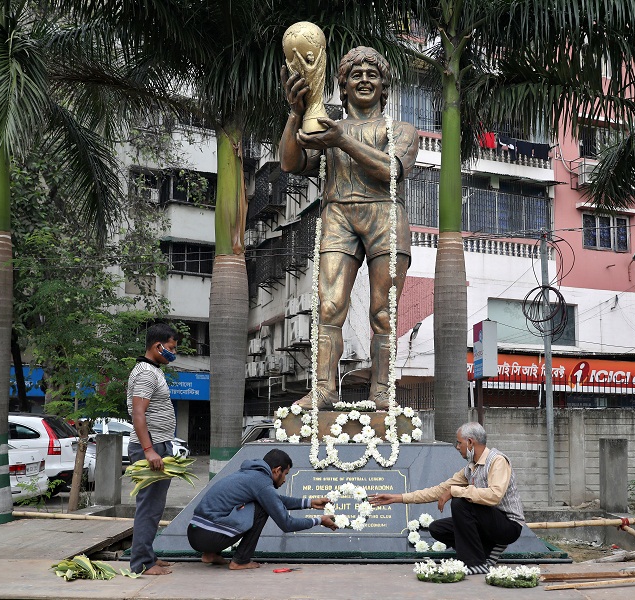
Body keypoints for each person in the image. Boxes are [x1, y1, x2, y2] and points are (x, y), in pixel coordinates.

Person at [280, 46, 419, 410]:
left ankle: (382, 392)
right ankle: (324, 389)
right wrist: (296, 115)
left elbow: (391, 171)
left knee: (382, 311)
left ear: (384, 86)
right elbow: (290, 162)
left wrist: (340, 140)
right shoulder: (327, 129)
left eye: (372, 75)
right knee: (329, 306)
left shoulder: (401, 130)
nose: (364, 80)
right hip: (338, 214)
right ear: (342, 86)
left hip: (385, 215)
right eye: (355, 75)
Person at [369, 422, 524, 574]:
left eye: (459, 443)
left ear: (470, 442)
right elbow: (438, 490)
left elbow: (494, 496)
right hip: (488, 523)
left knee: (460, 502)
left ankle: (475, 563)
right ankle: (487, 551)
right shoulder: (470, 468)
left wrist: (455, 491)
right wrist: (396, 498)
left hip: (509, 525)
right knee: (438, 529)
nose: (457, 447)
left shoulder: (497, 461)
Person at [188, 449, 338, 568]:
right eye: (285, 474)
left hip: (195, 533)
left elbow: (274, 500)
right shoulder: (262, 482)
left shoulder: (250, 474)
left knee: (258, 504)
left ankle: (210, 555)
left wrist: (310, 502)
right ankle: (241, 560)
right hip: (211, 536)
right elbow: (287, 524)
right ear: (277, 470)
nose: (285, 479)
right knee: (261, 508)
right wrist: (319, 520)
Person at [127, 322, 179, 575]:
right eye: (170, 348)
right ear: (158, 346)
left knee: (155, 507)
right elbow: (138, 412)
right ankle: (141, 564)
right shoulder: (146, 373)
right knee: (148, 507)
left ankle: (148, 555)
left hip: (158, 444)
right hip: (150, 447)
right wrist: (149, 450)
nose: (173, 353)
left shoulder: (152, 370)